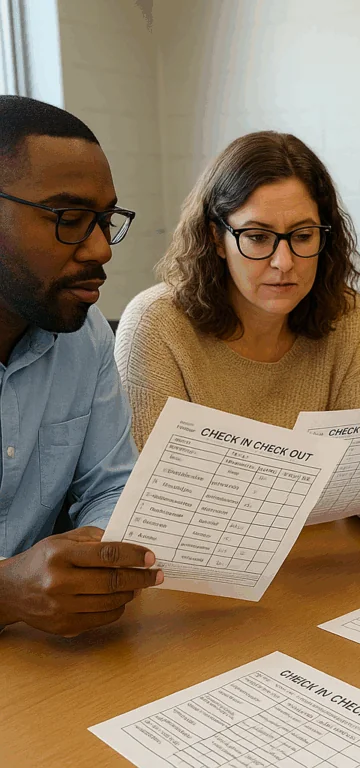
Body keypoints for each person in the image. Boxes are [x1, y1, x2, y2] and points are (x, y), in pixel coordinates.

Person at [115, 131, 360, 519]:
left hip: (323, 560)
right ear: (216, 238)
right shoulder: (155, 325)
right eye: (256, 237)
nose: (284, 262)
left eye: (302, 236)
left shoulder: (346, 316)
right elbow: (160, 502)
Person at [0, 96, 161, 637]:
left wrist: (94, 557)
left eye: (105, 220)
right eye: (70, 220)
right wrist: (6, 593)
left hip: (44, 655)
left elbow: (113, 486)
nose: (101, 249)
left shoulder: (83, 333)